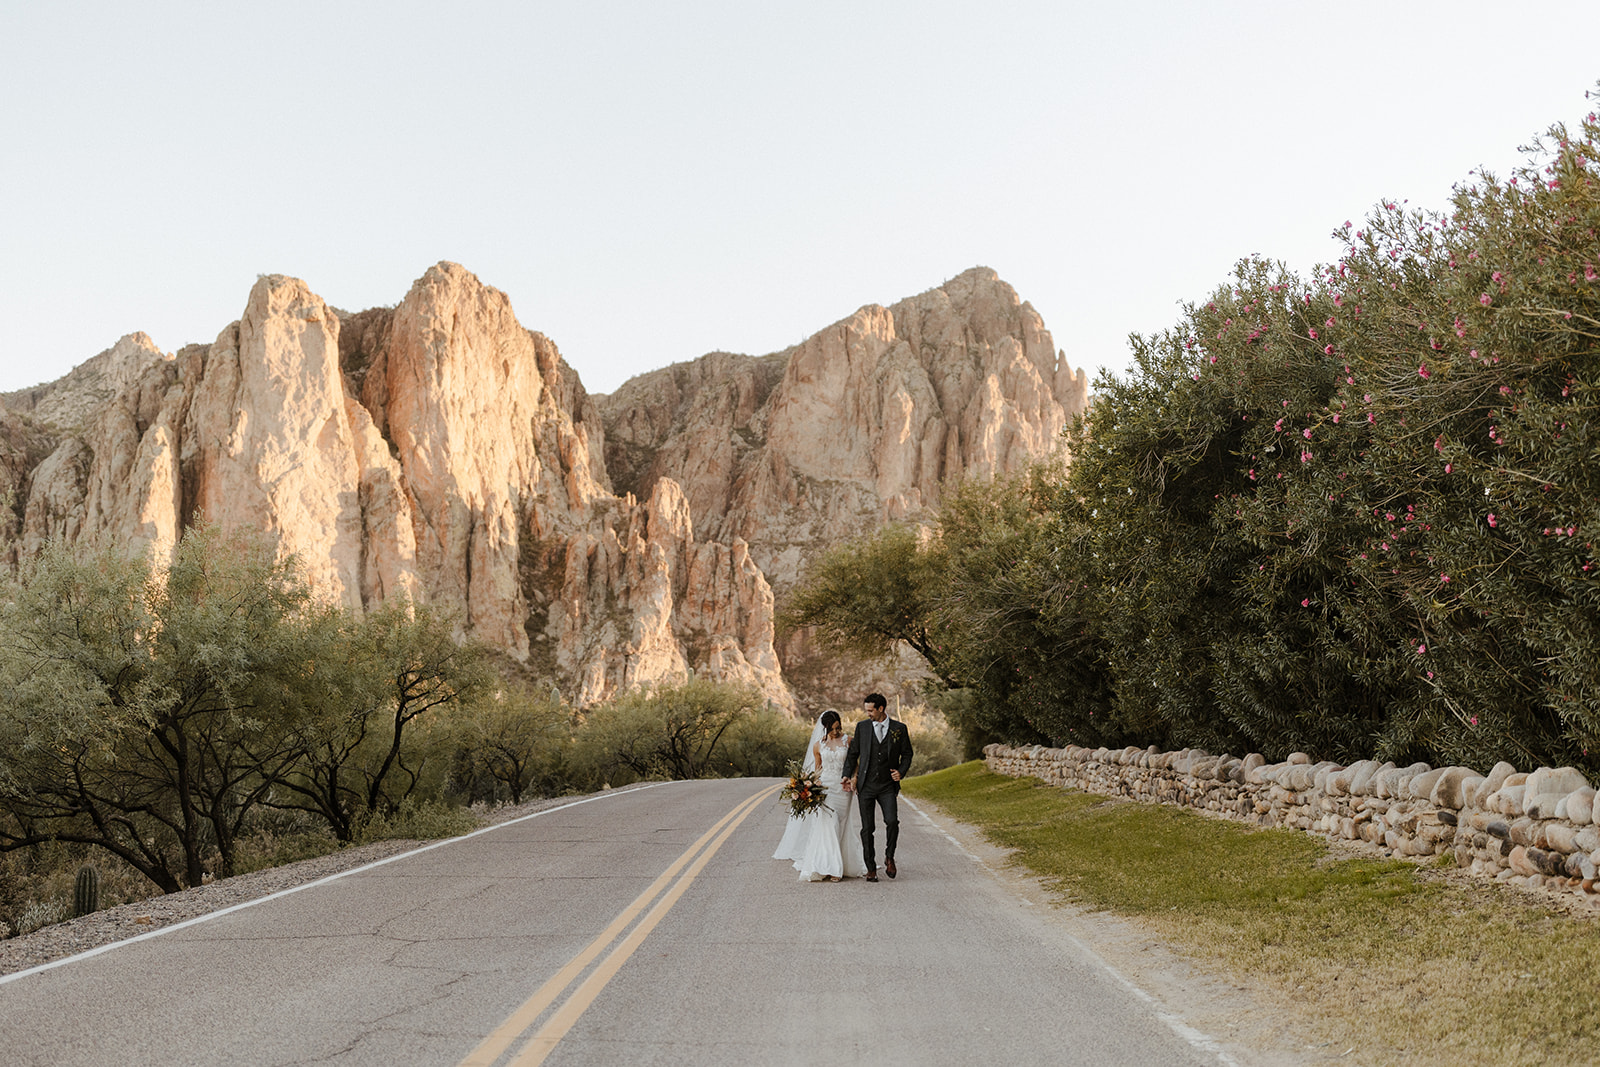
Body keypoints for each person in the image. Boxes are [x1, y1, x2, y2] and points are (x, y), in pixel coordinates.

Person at [772, 710, 868, 882]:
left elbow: (855, 765)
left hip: (843, 789)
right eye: (832, 729)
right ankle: (831, 868)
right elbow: (818, 770)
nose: (836, 732)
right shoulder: (818, 746)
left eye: (838, 728)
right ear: (825, 728)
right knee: (829, 825)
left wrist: (855, 779)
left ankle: (840, 863)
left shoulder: (849, 741)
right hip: (826, 789)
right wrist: (809, 789)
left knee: (841, 825)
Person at [842, 692, 913, 882]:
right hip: (866, 786)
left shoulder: (899, 728)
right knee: (867, 828)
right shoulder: (862, 727)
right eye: (866, 710)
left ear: (881, 709)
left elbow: (907, 754)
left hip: (887, 785)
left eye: (870, 710)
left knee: (892, 821)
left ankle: (889, 857)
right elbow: (853, 753)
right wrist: (846, 775)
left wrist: (901, 771)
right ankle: (870, 867)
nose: (868, 714)